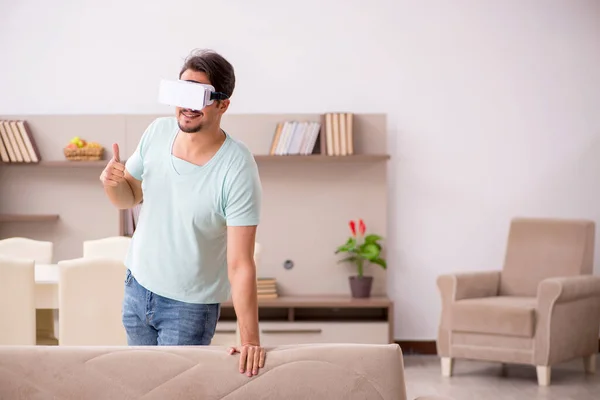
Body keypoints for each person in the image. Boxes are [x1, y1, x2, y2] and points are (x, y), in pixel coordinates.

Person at [99, 49, 265, 377]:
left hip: (188, 308)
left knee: (175, 390)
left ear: (222, 104)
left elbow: (240, 263)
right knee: (142, 386)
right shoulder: (157, 132)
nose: (187, 106)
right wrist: (112, 182)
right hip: (137, 287)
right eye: (182, 92)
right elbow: (127, 197)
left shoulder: (237, 167)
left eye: (199, 95)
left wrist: (250, 340)